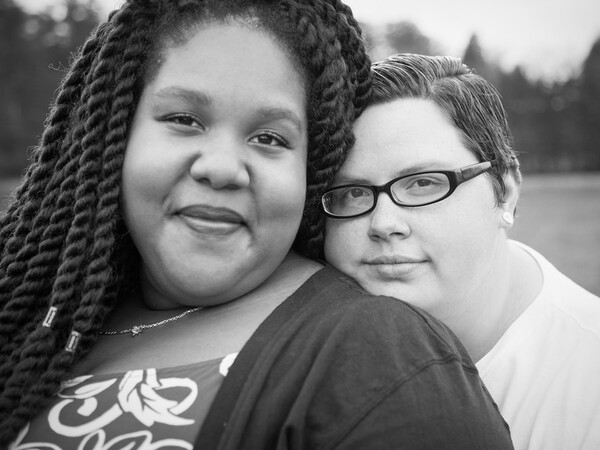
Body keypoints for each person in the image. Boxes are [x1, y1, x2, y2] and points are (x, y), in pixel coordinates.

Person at [0, 2, 514, 446]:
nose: (222, 168)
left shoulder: (380, 353)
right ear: (111, 136)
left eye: (270, 138)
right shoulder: (36, 308)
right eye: (184, 120)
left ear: (310, 171)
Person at [321, 53, 600, 450]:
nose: (383, 223)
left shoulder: (588, 383)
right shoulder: (309, 362)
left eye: (423, 183)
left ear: (505, 190)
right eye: (352, 193)